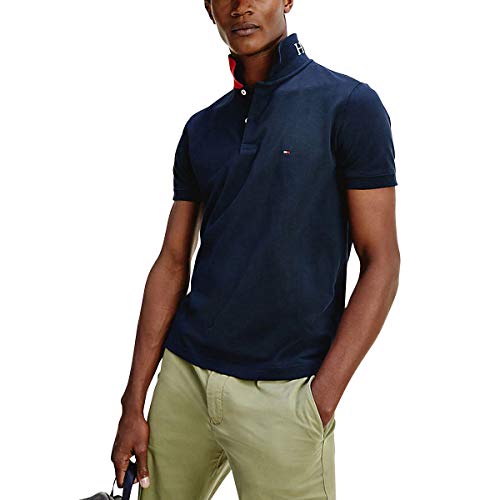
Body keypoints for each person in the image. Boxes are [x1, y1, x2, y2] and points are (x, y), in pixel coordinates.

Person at [111, 1, 400, 498]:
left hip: (285, 393)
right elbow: (172, 262)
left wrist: (320, 399)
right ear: (208, 8)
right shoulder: (202, 128)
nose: (240, 6)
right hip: (184, 380)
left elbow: (382, 262)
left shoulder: (349, 105)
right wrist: (133, 402)